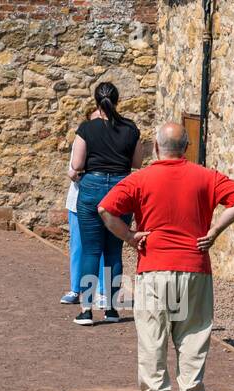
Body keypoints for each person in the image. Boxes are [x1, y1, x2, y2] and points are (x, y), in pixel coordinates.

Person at [99, 121, 234, 391]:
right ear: (186, 148)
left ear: (156, 147)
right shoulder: (206, 176)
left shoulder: (140, 179)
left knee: (152, 333)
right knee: (193, 333)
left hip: (154, 266)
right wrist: (216, 229)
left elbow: (106, 209)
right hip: (194, 265)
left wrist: (130, 237)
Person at [69, 81, 142, 325]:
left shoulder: (87, 128)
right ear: (117, 100)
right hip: (121, 189)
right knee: (114, 251)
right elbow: (137, 162)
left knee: (91, 249)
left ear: (95, 101)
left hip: (92, 188)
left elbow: (77, 164)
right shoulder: (130, 128)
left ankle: (87, 310)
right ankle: (111, 309)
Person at [61, 174, 107, 305]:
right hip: (78, 199)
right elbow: (73, 172)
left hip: (103, 200)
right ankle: (76, 289)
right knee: (77, 246)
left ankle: (102, 292)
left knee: (103, 247)